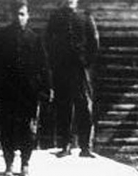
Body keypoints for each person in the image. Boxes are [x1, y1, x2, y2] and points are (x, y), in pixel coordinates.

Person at [0, 0, 51, 176]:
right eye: (16, 14)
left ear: (28, 16)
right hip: (7, 90)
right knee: (7, 127)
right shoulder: (2, 37)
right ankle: (9, 164)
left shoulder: (34, 38)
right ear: (11, 15)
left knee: (27, 128)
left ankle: (25, 163)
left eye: (22, 14)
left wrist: (47, 87)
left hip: (28, 92)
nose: (19, 18)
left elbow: (44, 65)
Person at [45, 0, 99, 158]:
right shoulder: (56, 18)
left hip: (80, 70)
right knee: (63, 106)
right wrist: (55, 62)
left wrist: (86, 62)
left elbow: (94, 42)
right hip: (62, 70)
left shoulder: (85, 17)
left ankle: (85, 147)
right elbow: (48, 41)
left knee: (84, 107)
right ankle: (65, 145)